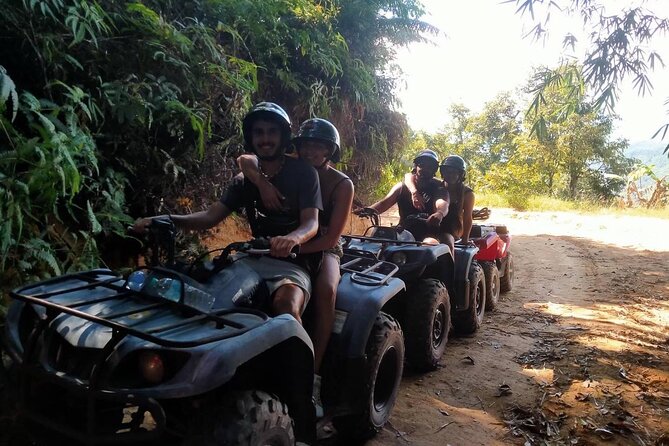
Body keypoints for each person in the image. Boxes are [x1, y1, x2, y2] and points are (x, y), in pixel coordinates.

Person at [132, 102, 322, 324]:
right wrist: (166, 219)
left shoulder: (304, 173)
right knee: (204, 298)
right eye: (258, 133)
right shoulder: (244, 181)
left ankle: (297, 358)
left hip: (293, 264)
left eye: (272, 132)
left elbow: (311, 224)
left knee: (286, 308)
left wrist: (291, 239)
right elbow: (209, 217)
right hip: (251, 258)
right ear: (250, 137)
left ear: (283, 136)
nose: (265, 139)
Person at [238, 118, 354, 416]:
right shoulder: (288, 167)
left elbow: (331, 235)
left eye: (320, 146)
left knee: (327, 290)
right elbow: (246, 159)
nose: (311, 151)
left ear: (331, 151)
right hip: (282, 242)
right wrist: (261, 182)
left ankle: (312, 376)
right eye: (306, 144)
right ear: (296, 146)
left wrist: (293, 247)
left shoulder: (341, 184)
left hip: (323, 245)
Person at [365, 149, 449, 243]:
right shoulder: (402, 187)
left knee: (429, 243)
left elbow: (442, 203)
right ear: (416, 167)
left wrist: (439, 213)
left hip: (429, 234)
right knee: (376, 240)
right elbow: (383, 204)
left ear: (434, 170)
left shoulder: (439, 188)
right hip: (402, 234)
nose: (425, 169)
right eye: (422, 165)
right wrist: (367, 211)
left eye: (429, 167)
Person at [438, 155, 476, 253]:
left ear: (461, 174)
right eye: (448, 172)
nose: (451, 175)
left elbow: (467, 217)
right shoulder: (436, 186)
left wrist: (465, 239)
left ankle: (451, 267)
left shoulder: (467, 194)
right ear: (443, 172)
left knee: (448, 244)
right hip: (434, 227)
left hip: (453, 230)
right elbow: (410, 177)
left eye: (455, 172)